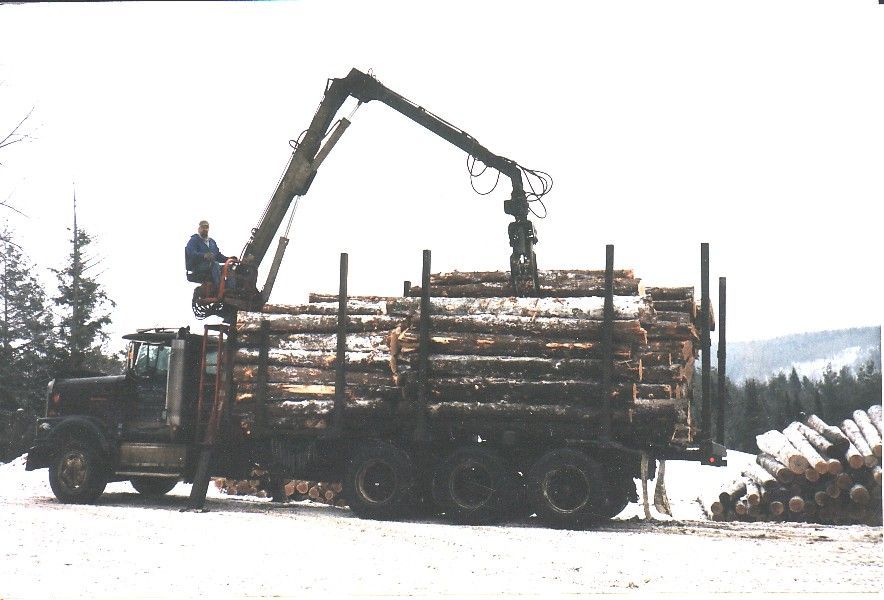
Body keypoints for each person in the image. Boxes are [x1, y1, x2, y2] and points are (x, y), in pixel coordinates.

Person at [185, 220, 235, 289]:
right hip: (198, 266)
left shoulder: (212, 242)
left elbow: (218, 255)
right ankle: (219, 288)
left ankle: (231, 289)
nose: (205, 229)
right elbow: (191, 253)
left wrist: (229, 259)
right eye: (203, 227)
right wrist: (204, 255)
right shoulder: (194, 240)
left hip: (211, 265)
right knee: (215, 265)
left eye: (206, 227)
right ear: (199, 229)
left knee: (229, 267)